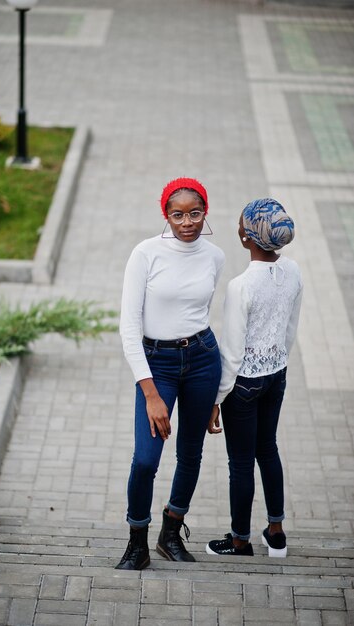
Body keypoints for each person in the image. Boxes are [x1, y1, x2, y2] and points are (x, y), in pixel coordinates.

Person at [116, 177, 225, 570]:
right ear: (166, 215)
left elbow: (203, 314)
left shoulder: (214, 256)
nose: (187, 222)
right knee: (146, 460)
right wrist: (150, 393)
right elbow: (129, 328)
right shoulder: (145, 254)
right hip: (156, 363)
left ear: (205, 212)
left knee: (191, 454)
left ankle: (171, 532)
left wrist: (217, 395)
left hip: (202, 359)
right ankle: (137, 541)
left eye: (195, 213)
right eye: (177, 214)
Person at [206, 198, 302, 558]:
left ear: (246, 237)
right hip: (277, 375)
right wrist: (278, 362)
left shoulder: (241, 285)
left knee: (241, 463)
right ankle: (276, 533)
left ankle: (239, 540)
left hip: (244, 384)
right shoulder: (293, 271)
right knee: (269, 449)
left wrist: (217, 399)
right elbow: (290, 328)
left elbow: (231, 353)